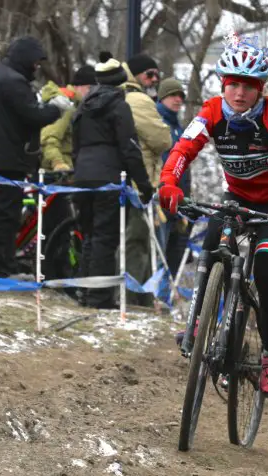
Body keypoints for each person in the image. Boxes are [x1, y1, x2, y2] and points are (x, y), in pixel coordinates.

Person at [159, 33, 268, 396]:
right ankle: (198, 322)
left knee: (267, 272)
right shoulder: (211, 111)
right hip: (236, 198)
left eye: (249, 86)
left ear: (261, 88)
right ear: (224, 84)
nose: (239, 93)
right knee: (210, 245)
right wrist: (169, 182)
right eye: (233, 84)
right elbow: (184, 147)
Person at [0, 35, 72, 278]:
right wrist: (56, 108)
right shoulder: (12, 82)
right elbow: (32, 116)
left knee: (5, 216)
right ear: (26, 59)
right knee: (4, 217)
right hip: (3, 161)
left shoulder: (4, 76)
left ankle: (3, 265)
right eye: (36, 63)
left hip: (0, 158)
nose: (37, 68)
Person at [72, 57, 153, 308]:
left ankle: (85, 292)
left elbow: (75, 144)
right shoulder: (119, 106)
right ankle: (100, 297)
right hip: (108, 177)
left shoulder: (83, 106)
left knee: (88, 236)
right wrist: (144, 183)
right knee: (106, 238)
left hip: (82, 176)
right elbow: (129, 148)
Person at [118, 52, 171, 306]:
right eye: (149, 74)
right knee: (137, 241)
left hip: (134, 180)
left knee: (140, 242)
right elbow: (163, 139)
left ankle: (140, 297)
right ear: (137, 75)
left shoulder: (125, 95)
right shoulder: (138, 99)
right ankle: (135, 298)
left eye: (157, 76)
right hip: (140, 182)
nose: (154, 80)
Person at [156, 77, 191, 276]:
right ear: (162, 98)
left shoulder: (179, 128)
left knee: (173, 254)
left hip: (178, 200)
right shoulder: (157, 123)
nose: (177, 99)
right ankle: (151, 298)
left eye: (180, 96)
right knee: (158, 252)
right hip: (161, 197)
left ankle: (163, 299)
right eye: (172, 95)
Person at [40, 65, 96, 172]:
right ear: (77, 86)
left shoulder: (78, 106)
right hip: (60, 173)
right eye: (89, 88)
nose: (92, 92)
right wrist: (58, 163)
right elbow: (48, 138)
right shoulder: (66, 105)